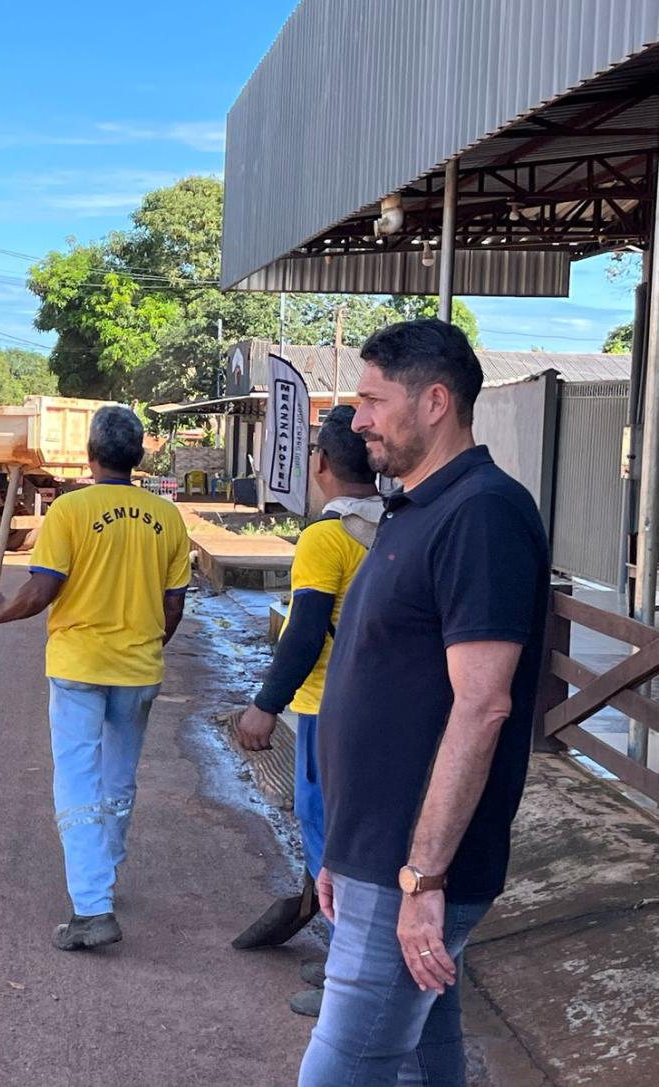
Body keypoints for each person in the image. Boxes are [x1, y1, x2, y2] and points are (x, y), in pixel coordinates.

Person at [298, 320, 549, 1085]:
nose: (357, 418)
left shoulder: (483, 513)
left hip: (412, 870)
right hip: (380, 858)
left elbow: (482, 706)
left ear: (435, 400)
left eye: (372, 399)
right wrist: (344, 846)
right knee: (421, 1063)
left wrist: (422, 879)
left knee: (339, 1072)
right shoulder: (419, 508)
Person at [0, 406, 191, 951]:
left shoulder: (71, 511)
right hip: (138, 669)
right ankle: (105, 872)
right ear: (138, 456)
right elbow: (173, 606)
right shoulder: (167, 518)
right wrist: (144, 645)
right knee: (118, 779)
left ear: (92, 456)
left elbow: (41, 591)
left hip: (78, 668)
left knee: (76, 779)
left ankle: (93, 907)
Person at [232, 406, 383, 1016]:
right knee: (368, 837)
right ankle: (363, 959)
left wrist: (266, 705)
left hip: (330, 708)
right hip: (385, 708)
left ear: (320, 463)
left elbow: (305, 633)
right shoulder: (396, 524)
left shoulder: (327, 536)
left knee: (327, 835)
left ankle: (346, 976)